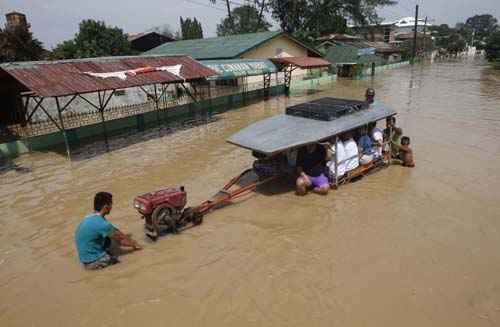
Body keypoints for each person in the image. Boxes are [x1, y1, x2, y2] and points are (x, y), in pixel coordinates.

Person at [75, 192, 142, 270]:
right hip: (92, 262)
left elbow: (114, 231)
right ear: (106, 207)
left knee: (109, 240)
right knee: (122, 266)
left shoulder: (90, 217)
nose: (112, 207)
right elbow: (122, 240)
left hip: (85, 257)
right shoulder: (102, 224)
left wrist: (123, 237)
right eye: (111, 204)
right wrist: (137, 246)